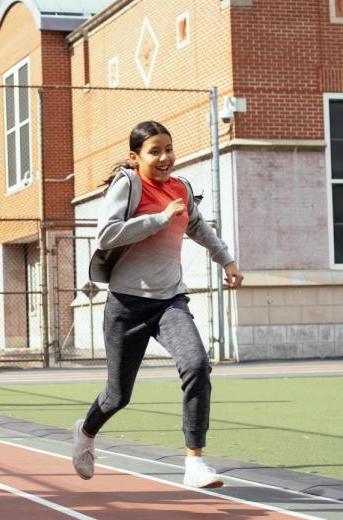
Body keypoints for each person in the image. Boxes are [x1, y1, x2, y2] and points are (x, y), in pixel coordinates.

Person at [74, 121, 244, 489]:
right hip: (126, 304)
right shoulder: (129, 185)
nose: (165, 157)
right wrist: (158, 218)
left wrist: (227, 260)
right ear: (136, 158)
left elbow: (198, 227)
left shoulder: (180, 188)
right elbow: (106, 234)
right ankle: (86, 434)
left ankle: (194, 462)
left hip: (170, 300)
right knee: (118, 396)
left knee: (197, 365)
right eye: (155, 151)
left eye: (168, 148)